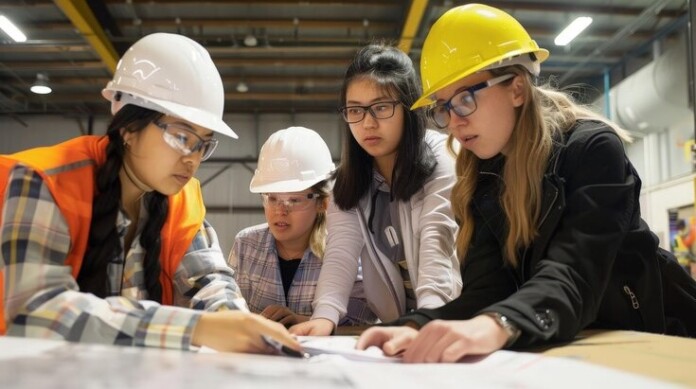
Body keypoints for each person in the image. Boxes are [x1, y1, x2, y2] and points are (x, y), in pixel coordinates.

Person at [357, 3, 696, 362]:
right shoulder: (481, 177)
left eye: (464, 99)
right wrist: (416, 325)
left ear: (517, 88)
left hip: (656, 339)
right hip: (572, 345)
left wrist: (497, 323)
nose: (452, 122)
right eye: (442, 106)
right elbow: (486, 291)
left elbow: (573, 273)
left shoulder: (592, 150)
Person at [0, 33, 299, 354]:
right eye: (182, 136)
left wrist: (237, 324)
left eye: (203, 144)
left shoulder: (181, 202)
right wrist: (196, 328)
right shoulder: (45, 180)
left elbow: (209, 283)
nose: (193, 158)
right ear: (128, 128)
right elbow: (33, 309)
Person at [290, 43, 462, 336]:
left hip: (452, 318)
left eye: (381, 107)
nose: (367, 123)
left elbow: (438, 240)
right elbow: (341, 253)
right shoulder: (346, 182)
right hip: (400, 324)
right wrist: (324, 317)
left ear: (408, 106)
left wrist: (425, 320)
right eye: (355, 110)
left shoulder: (443, 157)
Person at [228, 126, 376, 327]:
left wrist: (305, 322)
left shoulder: (344, 248)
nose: (281, 210)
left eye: (294, 200)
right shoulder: (247, 244)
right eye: (272, 198)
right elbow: (231, 308)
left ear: (322, 202)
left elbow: (364, 319)